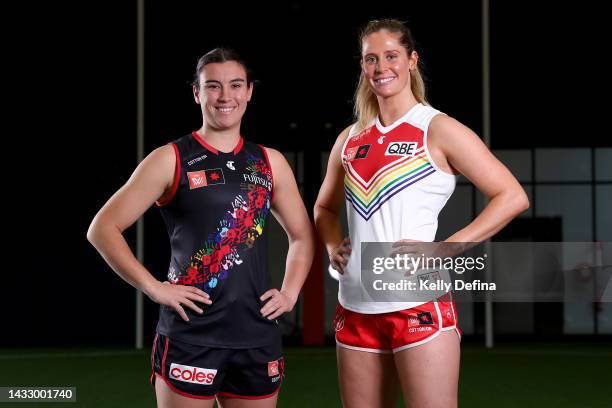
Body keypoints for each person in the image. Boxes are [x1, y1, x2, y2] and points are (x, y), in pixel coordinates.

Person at [314, 19, 529, 408]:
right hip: (355, 306)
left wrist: (446, 249)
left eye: (392, 56)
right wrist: (332, 245)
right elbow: (324, 207)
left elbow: (511, 195)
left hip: (417, 304)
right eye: (371, 59)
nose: (382, 68)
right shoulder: (349, 139)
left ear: (412, 60)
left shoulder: (437, 128)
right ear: (363, 67)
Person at [87, 48, 315, 408]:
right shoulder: (171, 158)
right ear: (197, 93)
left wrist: (289, 293)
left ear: (250, 91)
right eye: (213, 86)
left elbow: (302, 236)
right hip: (191, 335)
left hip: (256, 335)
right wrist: (154, 287)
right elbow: (103, 228)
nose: (226, 96)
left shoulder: (269, 162)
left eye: (236, 85)